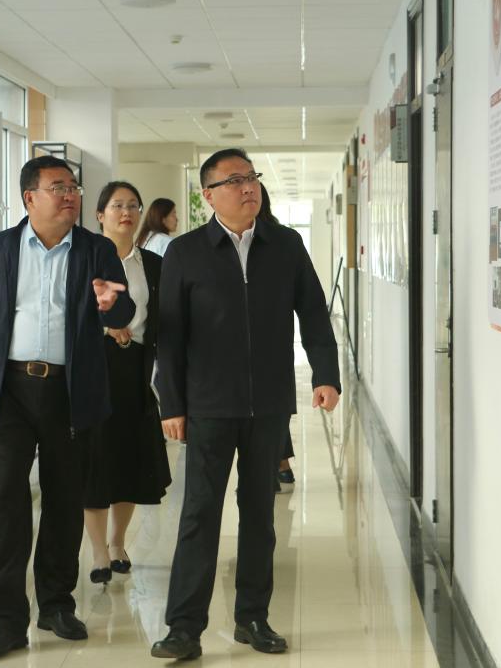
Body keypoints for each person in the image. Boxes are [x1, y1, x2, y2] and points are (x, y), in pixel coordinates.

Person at [151, 148, 341, 660]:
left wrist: (326, 375)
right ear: (209, 195)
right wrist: (172, 404)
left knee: (260, 516)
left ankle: (253, 617)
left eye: (251, 177)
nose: (248, 186)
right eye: (233, 180)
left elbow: (313, 313)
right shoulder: (186, 252)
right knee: (199, 515)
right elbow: (170, 337)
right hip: (208, 405)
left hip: (268, 405)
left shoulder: (286, 244)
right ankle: (183, 628)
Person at [0, 155, 135, 659]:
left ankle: (56, 605)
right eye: (58, 187)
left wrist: (112, 305)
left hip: (69, 392)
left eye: (73, 187)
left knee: (64, 499)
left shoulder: (97, 249)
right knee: (5, 505)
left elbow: (124, 310)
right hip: (8, 390)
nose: (70, 195)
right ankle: (6, 619)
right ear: (29, 197)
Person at [84, 182, 171, 585]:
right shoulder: (84, 260)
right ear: (99, 214)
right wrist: (106, 328)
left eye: (134, 205)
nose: (126, 212)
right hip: (94, 368)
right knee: (96, 459)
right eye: (117, 205)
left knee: (130, 459)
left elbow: (159, 320)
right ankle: (98, 551)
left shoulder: (151, 264)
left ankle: (118, 542)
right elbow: (70, 313)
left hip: (136, 369)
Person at [257, 183, 297, 489]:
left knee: (270, 411)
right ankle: (278, 465)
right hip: (270, 344)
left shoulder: (280, 240)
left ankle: (275, 465)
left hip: (269, 342)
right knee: (272, 410)